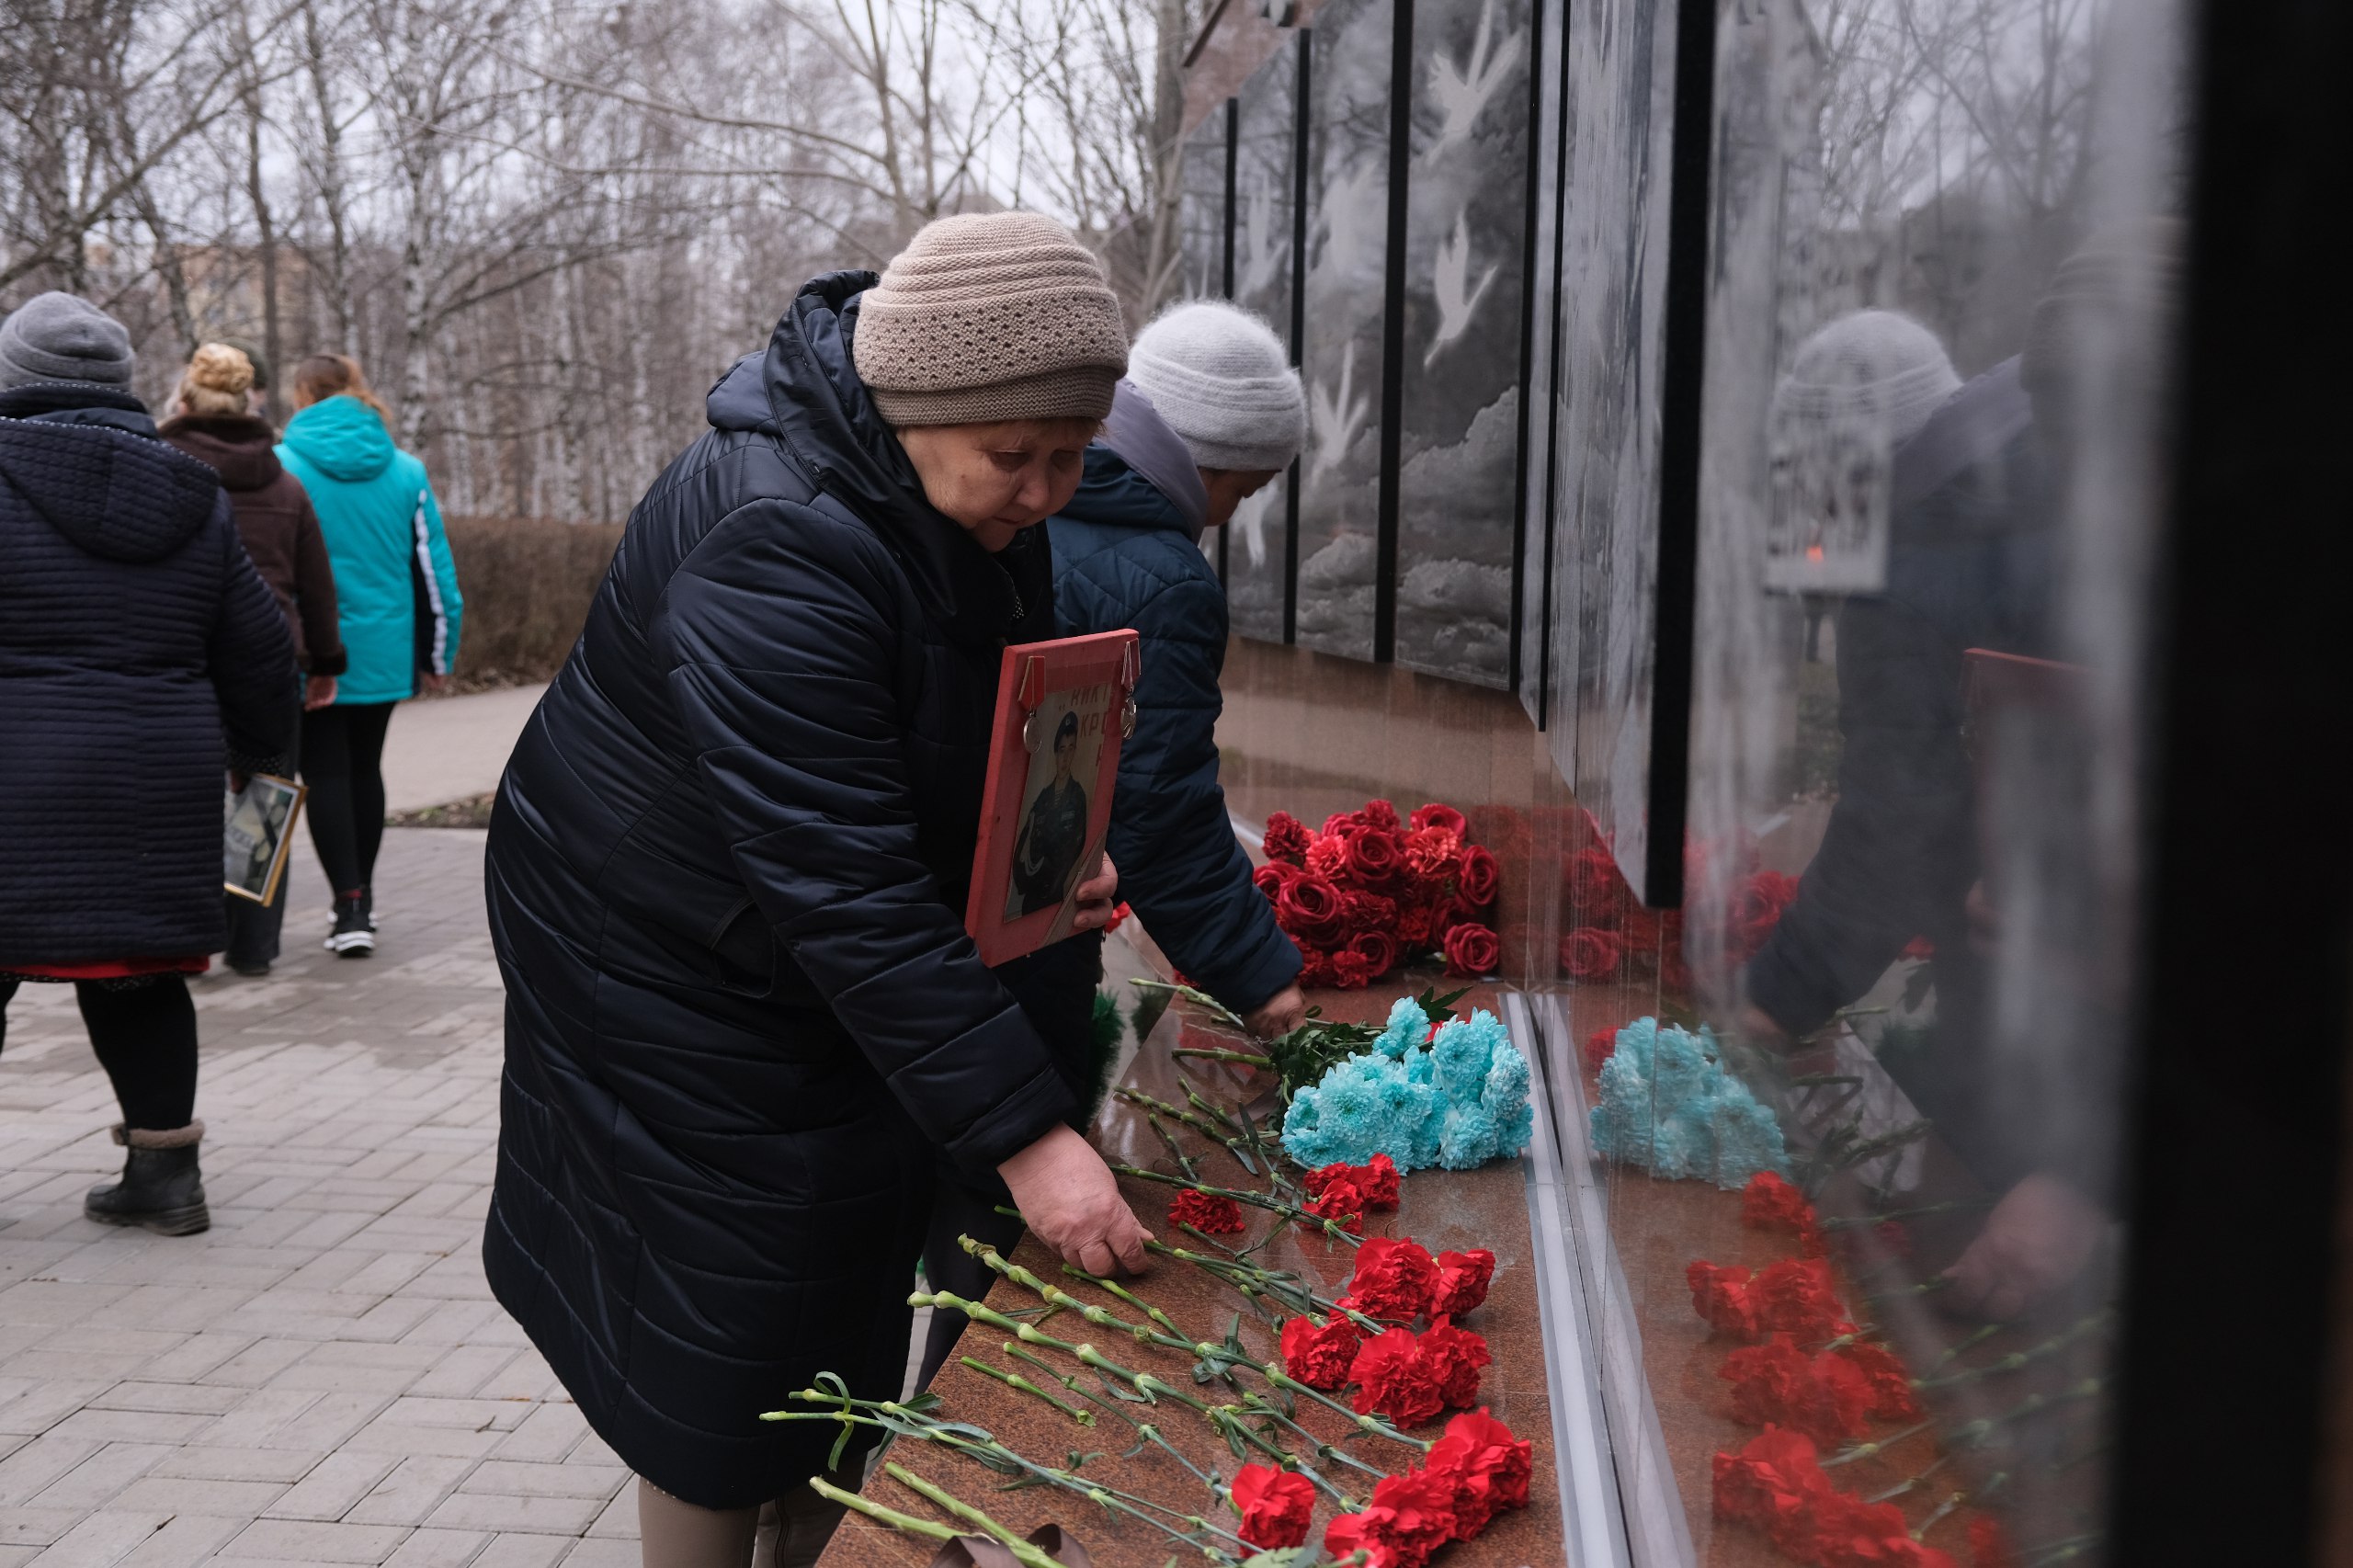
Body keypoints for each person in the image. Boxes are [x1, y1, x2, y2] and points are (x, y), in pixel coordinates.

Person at [481, 211, 1145, 1568]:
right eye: (1015, 456)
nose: (1043, 491)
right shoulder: (777, 536)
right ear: (915, 407)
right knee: (732, 1314)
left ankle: (816, 1527)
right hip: (663, 960)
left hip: (778, 936)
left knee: (834, 1256)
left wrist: (1041, 866)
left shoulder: (937, 490)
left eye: (1073, 456)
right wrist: (1029, 1133)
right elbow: (839, 877)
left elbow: (933, 731)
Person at [0, 292, 298, 1233]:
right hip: (152, 769)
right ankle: (166, 1176)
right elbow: (259, 653)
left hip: (14, 762)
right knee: (136, 974)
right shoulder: (194, 493)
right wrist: (265, 778)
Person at [1049, 300, 1311, 1040]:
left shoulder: (1035, 506)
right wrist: (1260, 978)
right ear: (1205, 460)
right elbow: (1158, 803)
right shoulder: (1166, 582)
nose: (1224, 516)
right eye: (1242, 490)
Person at [159, 343, 347, 975]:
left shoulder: (157, 471)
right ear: (250, 404)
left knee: (178, 799)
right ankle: (254, 946)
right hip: (268, 662)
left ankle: (185, 938)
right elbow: (316, 588)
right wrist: (325, 663)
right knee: (262, 796)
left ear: (183, 402)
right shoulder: (284, 483)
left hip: (176, 659)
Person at [276, 353, 462, 957]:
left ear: (302, 396)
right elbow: (434, 573)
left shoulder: (284, 466)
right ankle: (363, 904)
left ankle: (348, 905)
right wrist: (439, 651)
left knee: (324, 772)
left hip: (313, 652)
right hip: (385, 647)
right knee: (365, 769)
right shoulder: (405, 470)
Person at [1010, 710, 1090, 915]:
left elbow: (1078, 846)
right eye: (1061, 750)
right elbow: (1022, 847)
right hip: (1030, 896)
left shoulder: (1078, 796)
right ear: (1055, 753)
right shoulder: (1042, 798)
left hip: (1058, 896)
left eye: (1070, 749)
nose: (1065, 757)